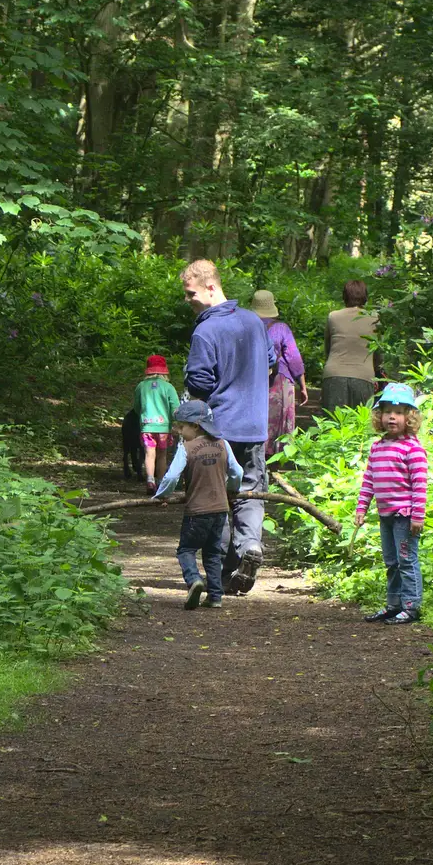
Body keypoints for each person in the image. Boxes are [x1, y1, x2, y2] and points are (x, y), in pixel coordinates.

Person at [180, 259, 273, 596]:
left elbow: (200, 382)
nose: (187, 300)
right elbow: (271, 362)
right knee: (250, 491)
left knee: (214, 496)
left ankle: (219, 566)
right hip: (253, 425)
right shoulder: (253, 321)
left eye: (190, 294)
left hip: (218, 428)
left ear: (210, 287)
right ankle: (249, 546)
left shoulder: (205, 330)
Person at [155, 400, 244, 610]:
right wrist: (232, 490)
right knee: (213, 553)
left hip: (197, 511)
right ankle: (215, 596)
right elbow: (237, 472)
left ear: (196, 426)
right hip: (220, 510)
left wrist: (161, 496)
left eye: (182, 426)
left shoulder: (187, 448)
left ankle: (194, 580)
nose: (178, 430)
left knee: (186, 549)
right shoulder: (223, 444)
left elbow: (171, 477)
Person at [352, 383, 428, 625]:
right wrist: (361, 507)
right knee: (391, 562)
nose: (392, 417)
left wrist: (418, 515)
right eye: (386, 412)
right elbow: (369, 481)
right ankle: (394, 604)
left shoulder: (412, 449)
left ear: (410, 417)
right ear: (379, 416)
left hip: (405, 516)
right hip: (385, 515)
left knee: (406, 560)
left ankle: (411, 606)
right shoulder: (378, 447)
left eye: (399, 412)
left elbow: (420, 485)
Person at [247, 289, 309, 457]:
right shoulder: (281, 328)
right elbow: (294, 358)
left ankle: (256, 452)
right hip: (280, 379)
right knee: (279, 417)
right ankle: (278, 455)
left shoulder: (247, 327)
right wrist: (302, 385)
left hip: (253, 379)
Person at [323, 279, 381, 411]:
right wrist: (378, 372)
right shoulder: (374, 318)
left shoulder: (333, 316)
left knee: (333, 424)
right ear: (365, 297)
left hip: (334, 375)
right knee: (360, 425)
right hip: (364, 376)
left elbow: (328, 348)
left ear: (344, 296)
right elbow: (378, 352)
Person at [134, 354, 181, 494]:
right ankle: (160, 482)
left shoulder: (141, 386)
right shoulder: (168, 387)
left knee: (149, 454)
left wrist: (142, 416)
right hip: (163, 428)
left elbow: (137, 406)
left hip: (147, 426)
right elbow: (175, 408)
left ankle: (150, 480)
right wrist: (175, 422)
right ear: (164, 371)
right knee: (162, 455)